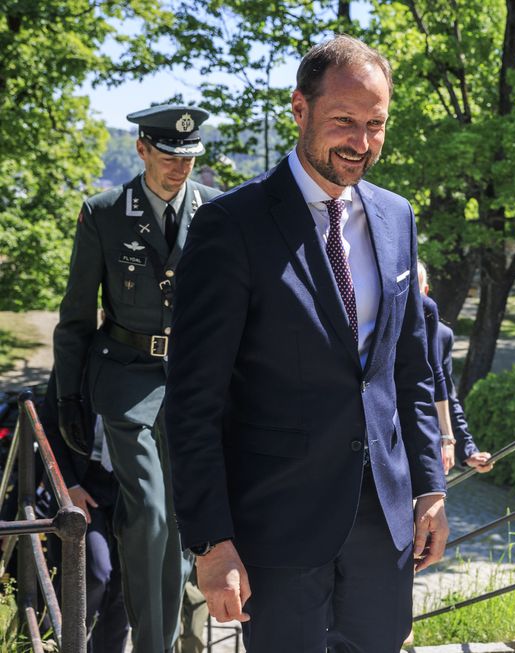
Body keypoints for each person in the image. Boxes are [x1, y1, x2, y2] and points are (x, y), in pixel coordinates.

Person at [164, 35, 449, 653]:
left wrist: (430, 486)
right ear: (300, 109)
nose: (361, 142)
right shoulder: (230, 227)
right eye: (344, 121)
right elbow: (192, 401)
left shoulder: (397, 216)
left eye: (376, 124)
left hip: (385, 522)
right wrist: (211, 543)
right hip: (277, 522)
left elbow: (410, 369)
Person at [52, 104, 221, 653]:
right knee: (148, 511)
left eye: (190, 156)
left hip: (192, 381)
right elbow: (76, 315)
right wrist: (69, 394)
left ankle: (161, 642)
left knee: (176, 520)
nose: (181, 167)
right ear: (142, 149)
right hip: (125, 377)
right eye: (169, 155)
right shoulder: (103, 213)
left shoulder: (215, 213)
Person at [39, 372, 129, 653]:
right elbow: (48, 427)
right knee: (96, 573)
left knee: (124, 588)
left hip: (129, 488)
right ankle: (72, 644)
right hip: (83, 484)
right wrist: (70, 485)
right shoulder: (75, 361)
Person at [417, 262, 492, 473]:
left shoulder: (442, 335)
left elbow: (446, 394)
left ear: (426, 292)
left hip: (423, 443)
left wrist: (468, 450)